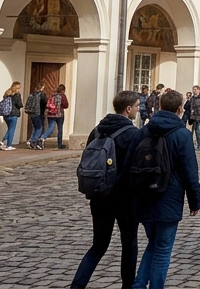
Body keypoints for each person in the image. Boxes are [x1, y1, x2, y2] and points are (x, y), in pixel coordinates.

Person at [129, 89, 200, 289]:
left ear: (159, 106)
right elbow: (190, 172)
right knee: (162, 249)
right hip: (168, 199)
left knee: (154, 244)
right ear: (180, 109)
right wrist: (195, 201)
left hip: (143, 196)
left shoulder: (143, 131)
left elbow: (128, 165)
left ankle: (138, 284)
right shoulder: (182, 134)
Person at [71, 90, 142, 289]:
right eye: (137, 106)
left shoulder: (97, 130)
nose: (138, 109)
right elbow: (132, 169)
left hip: (99, 196)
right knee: (129, 245)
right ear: (128, 109)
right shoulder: (133, 134)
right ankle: (127, 285)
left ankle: (77, 285)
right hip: (124, 199)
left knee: (99, 245)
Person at [41, 84, 71, 149]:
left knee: (51, 127)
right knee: (60, 129)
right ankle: (59, 144)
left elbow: (48, 105)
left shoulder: (52, 95)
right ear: (63, 90)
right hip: (60, 114)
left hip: (51, 114)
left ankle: (42, 138)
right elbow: (65, 105)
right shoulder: (63, 96)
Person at [0, 81, 23, 150]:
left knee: (9, 129)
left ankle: (2, 143)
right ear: (17, 88)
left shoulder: (7, 94)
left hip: (6, 114)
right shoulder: (17, 95)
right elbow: (20, 104)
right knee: (11, 130)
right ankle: (8, 145)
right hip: (13, 115)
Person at [183, 86, 200, 151]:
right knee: (191, 131)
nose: (194, 91)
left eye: (195, 90)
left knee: (198, 131)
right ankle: (191, 144)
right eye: (193, 90)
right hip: (193, 117)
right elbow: (188, 106)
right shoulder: (192, 98)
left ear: (198, 90)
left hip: (199, 116)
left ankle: (199, 145)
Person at [26, 82, 49, 149]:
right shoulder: (42, 94)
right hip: (39, 113)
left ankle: (33, 141)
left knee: (35, 128)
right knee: (40, 128)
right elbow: (45, 103)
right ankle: (33, 141)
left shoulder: (31, 95)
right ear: (42, 87)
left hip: (31, 113)